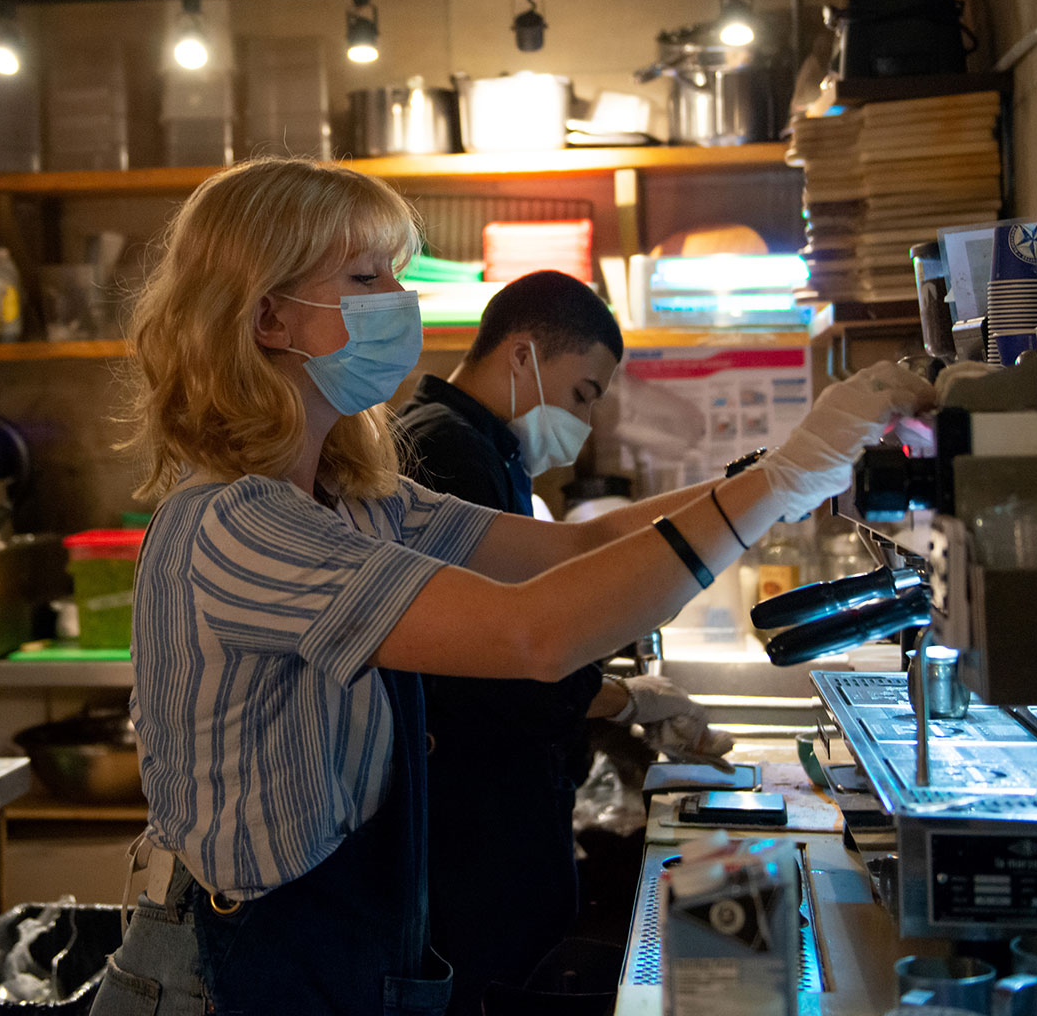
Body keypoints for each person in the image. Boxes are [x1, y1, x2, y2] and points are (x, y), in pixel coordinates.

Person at [91, 156, 933, 1016]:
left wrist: (787, 467)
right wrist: (785, 483)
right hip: (225, 975)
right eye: (364, 275)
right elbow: (535, 634)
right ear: (269, 315)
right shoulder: (237, 526)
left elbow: (581, 545)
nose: (399, 299)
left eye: (396, 274)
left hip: (337, 951)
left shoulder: (360, 504)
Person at [398, 269, 723, 1014]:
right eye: (583, 393)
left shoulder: (485, 449)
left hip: (498, 827)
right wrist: (625, 699)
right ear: (522, 356)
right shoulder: (446, 455)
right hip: (467, 839)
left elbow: (574, 562)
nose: (582, 420)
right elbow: (504, 662)